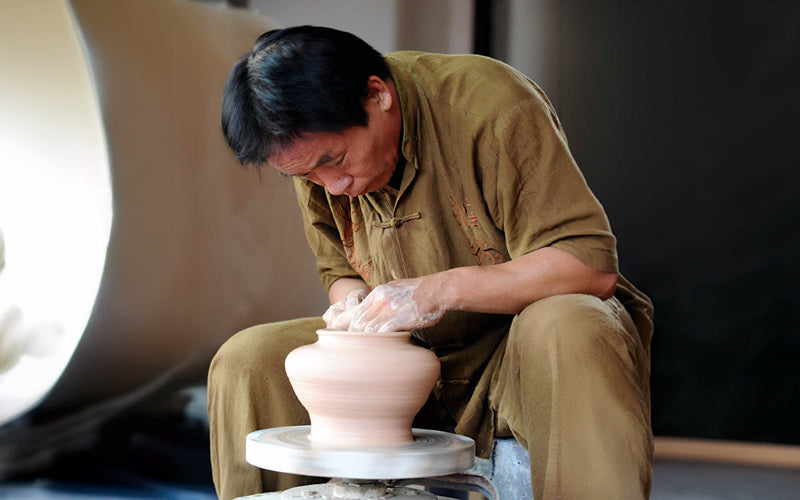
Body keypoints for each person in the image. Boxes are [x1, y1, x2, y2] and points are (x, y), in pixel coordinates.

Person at [209, 25, 654, 500]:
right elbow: (340, 273)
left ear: (377, 95)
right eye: (305, 175)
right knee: (247, 361)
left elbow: (587, 264)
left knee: (571, 323)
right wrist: (355, 313)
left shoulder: (490, 108)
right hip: (416, 362)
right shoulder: (316, 162)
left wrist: (437, 291)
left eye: (334, 160)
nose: (331, 186)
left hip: (516, 358)